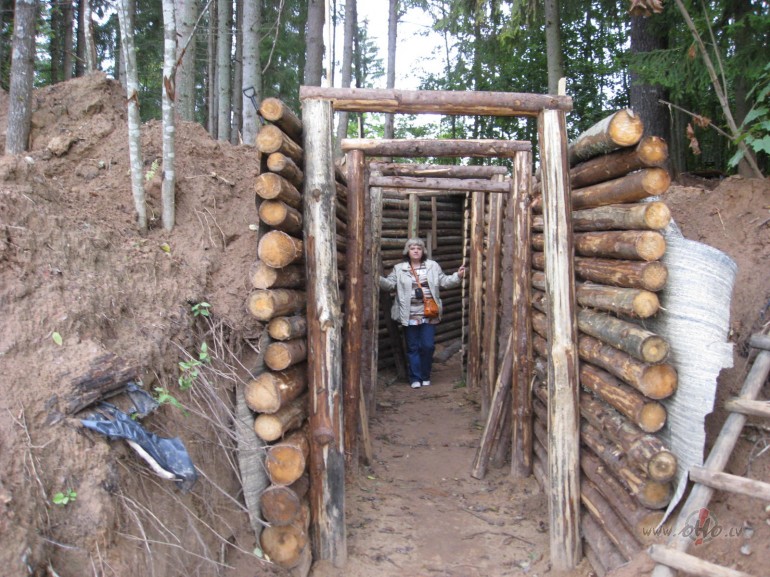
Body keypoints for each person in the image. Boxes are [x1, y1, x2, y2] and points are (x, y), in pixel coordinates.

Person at [379, 238, 466, 389]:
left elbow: (444, 281)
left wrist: (457, 276)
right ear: (408, 251)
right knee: (413, 347)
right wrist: (376, 278)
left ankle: (425, 375)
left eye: (419, 248)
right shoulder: (399, 269)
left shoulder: (432, 266)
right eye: (412, 248)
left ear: (423, 251)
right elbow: (389, 284)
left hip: (429, 313)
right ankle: (415, 378)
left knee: (427, 346)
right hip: (408, 314)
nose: (416, 250)